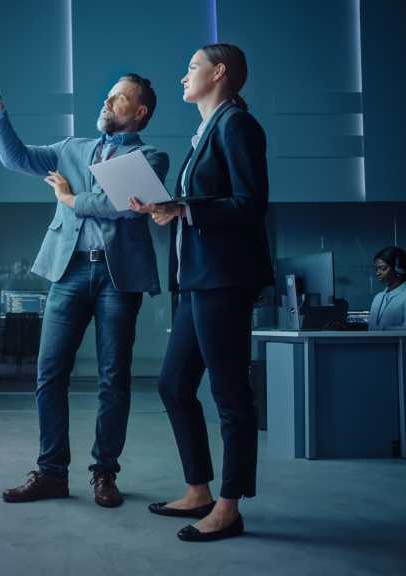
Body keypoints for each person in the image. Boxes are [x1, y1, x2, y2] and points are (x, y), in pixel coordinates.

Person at [0, 57, 168, 508]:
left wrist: (71, 199)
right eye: (108, 93)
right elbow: (15, 158)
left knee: (114, 379)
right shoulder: (71, 148)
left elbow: (118, 204)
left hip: (119, 279)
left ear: (140, 113)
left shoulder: (151, 157)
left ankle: (104, 474)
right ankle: (52, 472)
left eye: (119, 97)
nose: (107, 100)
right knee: (48, 373)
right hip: (68, 270)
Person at [131, 43, 272, 541]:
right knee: (173, 385)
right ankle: (198, 490)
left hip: (223, 281)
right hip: (196, 280)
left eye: (191, 67)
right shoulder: (207, 131)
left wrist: (186, 208)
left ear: (219, 72)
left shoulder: (237, 125)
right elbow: (207, 202)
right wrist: (172, 208)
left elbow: (250, 205)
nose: (182, 76)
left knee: (231, 395)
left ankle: (229, 508)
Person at [369, 246, 406, 332]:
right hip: (376, 345)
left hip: (399, 345)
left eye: (383, 268)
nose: (378, 273)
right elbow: (370, 330)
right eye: (376, 269)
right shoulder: (378, 297)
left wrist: (382, 330)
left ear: (399, 269)